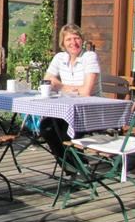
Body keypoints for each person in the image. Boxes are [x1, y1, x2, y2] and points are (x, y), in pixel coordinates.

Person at [39, 24, 102, 162]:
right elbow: (47, 81)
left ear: (82, 40)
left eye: (76, 38)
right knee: (46, 127)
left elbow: (86, 92)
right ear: (63, 43)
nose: (73, 42)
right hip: (66, 109)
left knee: (65, 130)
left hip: (88, 110)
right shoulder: (60, 58)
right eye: (68, 39)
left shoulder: (89, 57)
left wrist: (61, 86)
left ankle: (77, 166)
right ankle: (68, 165)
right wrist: (72, 88)